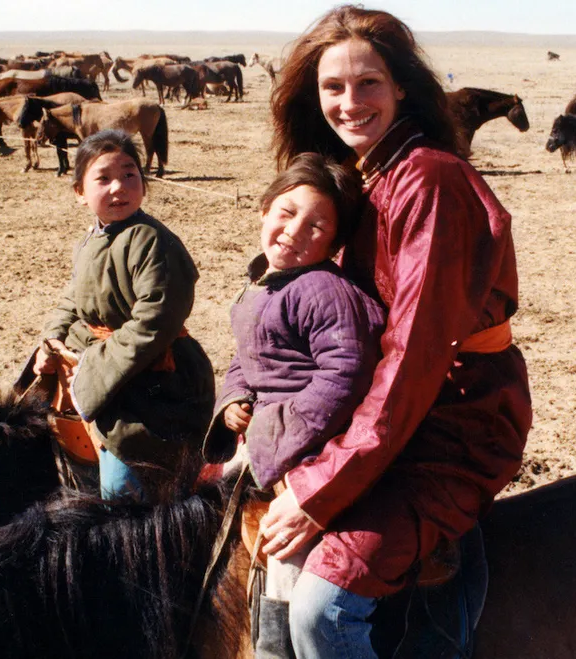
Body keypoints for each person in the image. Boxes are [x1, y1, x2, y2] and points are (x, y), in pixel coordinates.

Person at [259, 6, 534, 658]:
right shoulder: (361, 177)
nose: (350, 102)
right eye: (333, 87)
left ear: (402, 87)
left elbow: (415, 356)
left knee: (323, 610)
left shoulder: (429, 180)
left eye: (369, 84)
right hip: (383, 412)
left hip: (452, 420)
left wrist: (319, 492)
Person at [202, 152, 385, 657]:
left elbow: (345, 375)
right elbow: (247, 356)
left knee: (286, 551)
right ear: (265, 209)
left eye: (315, 226)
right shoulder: (264, 280)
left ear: (334, 243)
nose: (293, 232)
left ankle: (277, 648)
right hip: (267, 434)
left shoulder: (323, 291)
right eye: (286, 213)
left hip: (308, 449)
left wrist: (275, 435)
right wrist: (233, 399)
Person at [32, 129, 214, 501]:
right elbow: (74, 297)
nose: (119, 187)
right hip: (105, 369)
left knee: (125, 488)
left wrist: (91, 369)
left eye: (130, 174)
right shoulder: (91, 240)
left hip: (155, 379)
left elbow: (155, 321)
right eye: (103, 178)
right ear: (80, 192)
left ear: (143, 183)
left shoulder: (152, 240)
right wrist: (51, 340)